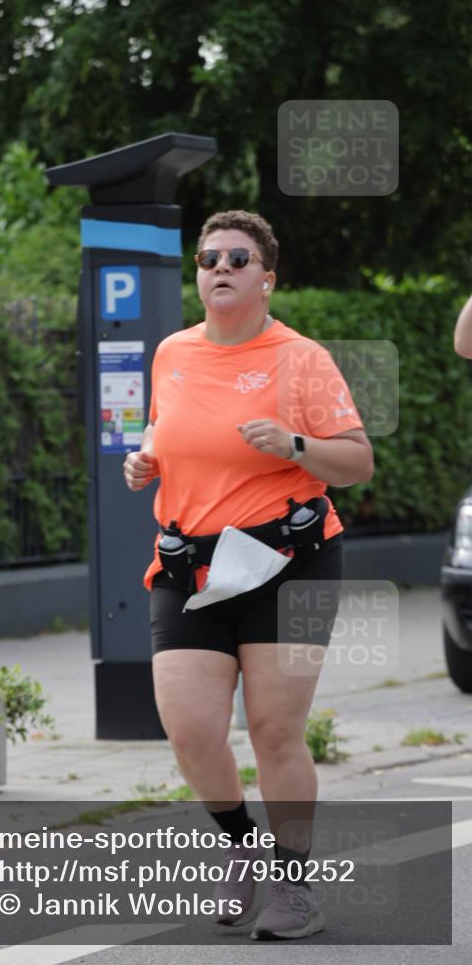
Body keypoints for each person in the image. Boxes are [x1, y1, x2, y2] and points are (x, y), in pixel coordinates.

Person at [123, 210, 374, 941]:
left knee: (272, 730)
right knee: (191, 728)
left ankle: (294, 888)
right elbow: (162, 428)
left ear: (267, 277)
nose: (219, 267)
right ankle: (239, 848)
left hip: (287, 562)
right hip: (190, 565)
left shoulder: (300, 358)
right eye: (207, 258)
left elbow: (355, 464)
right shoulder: (171, 353)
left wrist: (296, 444)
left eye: (237, 258)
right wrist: (146, 459)